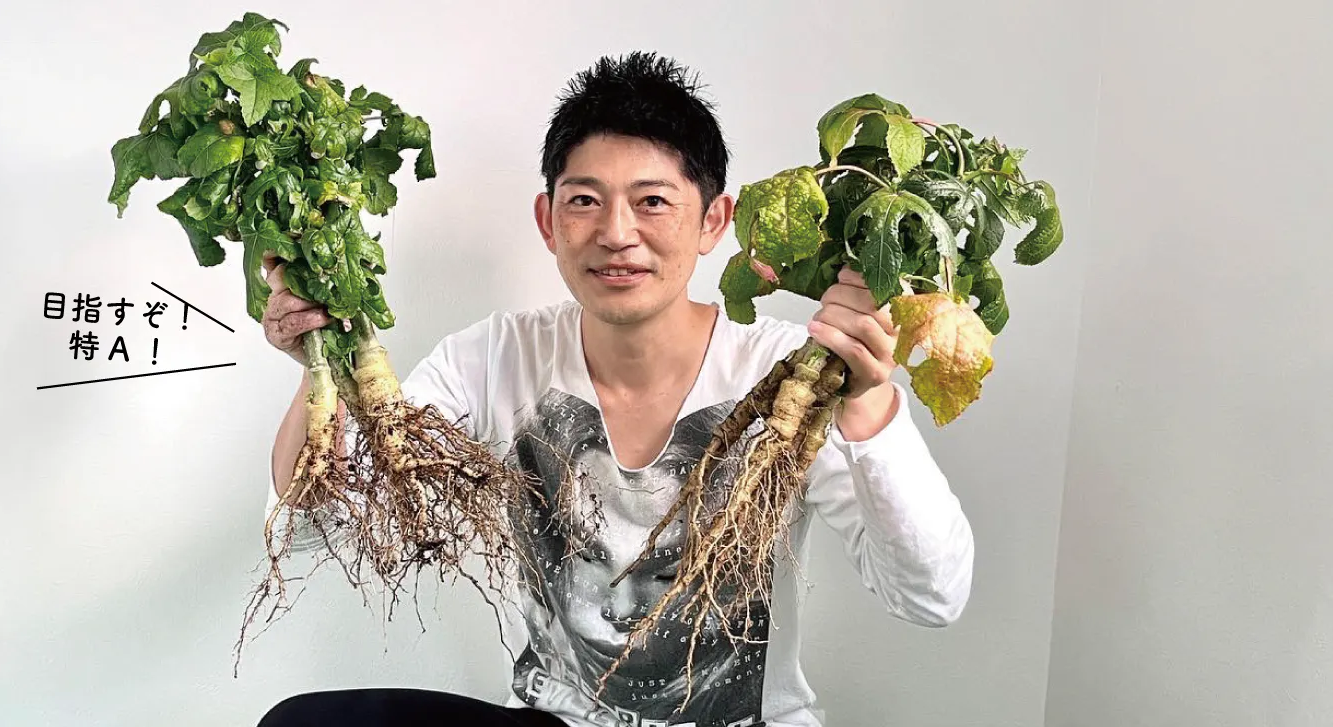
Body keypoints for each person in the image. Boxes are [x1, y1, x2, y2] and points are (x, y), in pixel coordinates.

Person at [256, 51, 974, 727]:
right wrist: (322, 364)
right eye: (585, 201)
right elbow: (316, 525)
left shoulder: (793, 374)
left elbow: (932, 597)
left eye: (652, 201)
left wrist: (868, 402)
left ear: (713, 221)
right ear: (549, 222)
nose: (616, 233)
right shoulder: (494, 357)